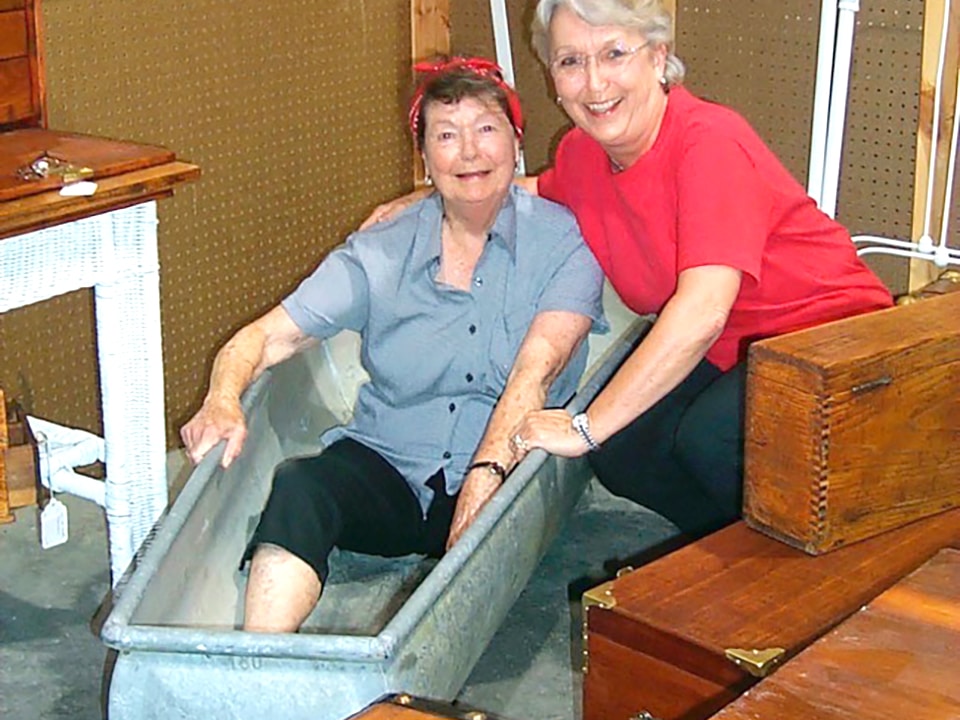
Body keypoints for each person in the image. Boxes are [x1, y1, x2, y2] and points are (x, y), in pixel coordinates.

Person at [364, 0, 893, 539]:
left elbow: (704, 310)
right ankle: (746, 555)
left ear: (658, 58)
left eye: (614, 53)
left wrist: (584, 427)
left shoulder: (708, 142)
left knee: (709, 439)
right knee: (624, 452)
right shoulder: (583, 158)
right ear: (554, 80)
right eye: (571, 62)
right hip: (741, 353)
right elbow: (518, 193)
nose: (595, 83)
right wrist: (428, 198)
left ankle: (816, 557)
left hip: (838, 337)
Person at [181, 57, 606, 633]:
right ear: (425, 159)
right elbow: (263, 337)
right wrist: (223, 398)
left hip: (507, 465)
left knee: (489, 543)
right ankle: (261, 658)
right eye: (446, 136)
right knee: (301, 485)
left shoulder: (564, 241)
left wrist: (484, 478)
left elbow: (536, 373)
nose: (470, 152)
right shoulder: (380, 250)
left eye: (486, 129)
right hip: (391, 464)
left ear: (515, 141)